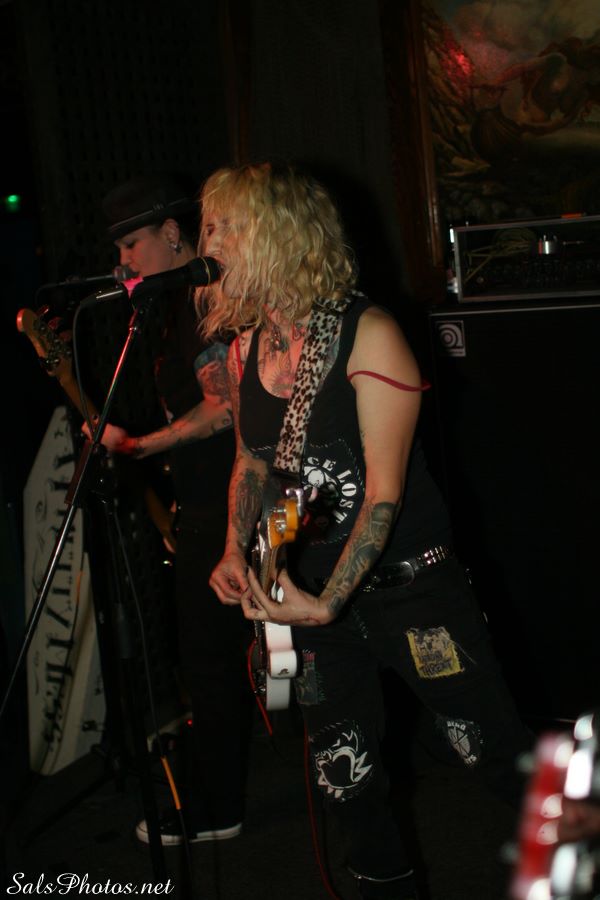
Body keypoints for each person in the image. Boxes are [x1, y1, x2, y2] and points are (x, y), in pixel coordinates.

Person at [202, 162, 532, 899]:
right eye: (207, 226)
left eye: (225, 225)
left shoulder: (368, 332)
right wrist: (233, 549)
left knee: (490, 751)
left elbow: (383, 494)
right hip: (310, 601)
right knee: (345, 779)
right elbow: (252, 463)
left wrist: (329, 600)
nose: (208, 243)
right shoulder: (246, 348)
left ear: (279, 234)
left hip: (410, 590)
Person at [95, 173, 251, 846]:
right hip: (204, 505)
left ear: (171, 233)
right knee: (209, 661)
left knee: (211, 663)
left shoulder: (201, 302)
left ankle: (217, 810)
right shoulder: (167, 308)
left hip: (227, 510)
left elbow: (226, 408)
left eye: (132, 244)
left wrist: (140, 444)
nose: (123, 261)